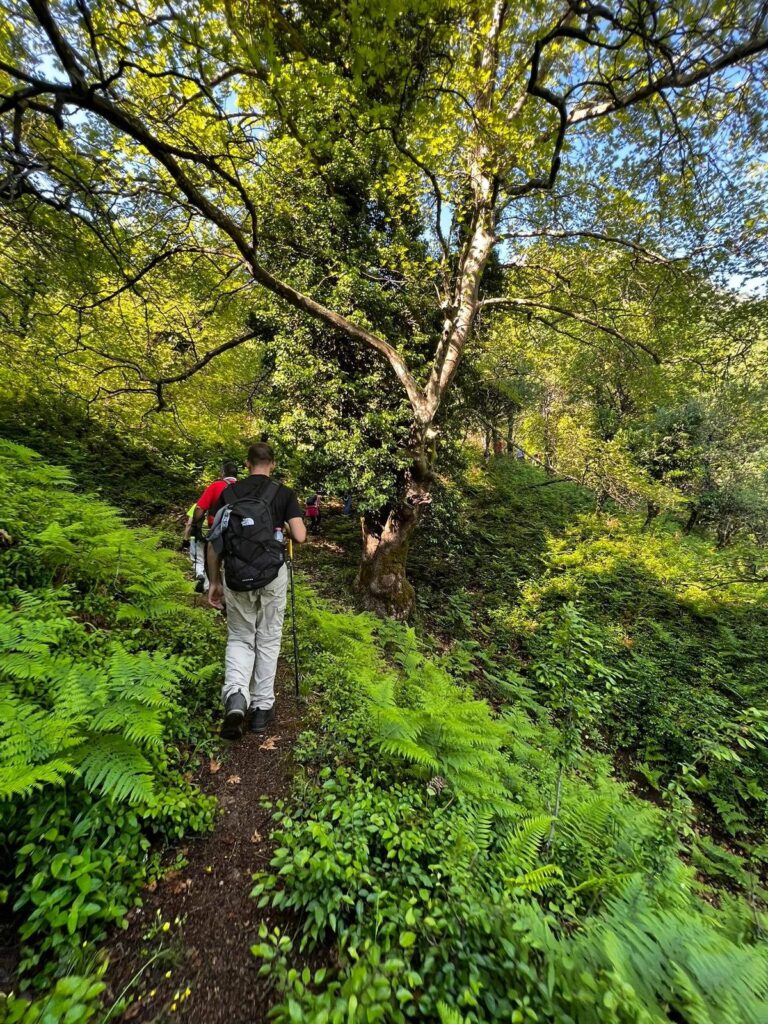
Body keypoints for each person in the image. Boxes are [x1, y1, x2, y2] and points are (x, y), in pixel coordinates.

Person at [206, 443, 306, 739]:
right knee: (269, 638)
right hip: (272, 576)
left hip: (236, 575)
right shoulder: (283, 493)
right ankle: (262, 709)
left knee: (240, 636)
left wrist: (215, 581)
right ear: (272, 464)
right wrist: (285, 528)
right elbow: (300, 536)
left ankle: (237, 695)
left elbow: (214, 542)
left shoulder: (228, 493)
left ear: (247, 463)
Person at [180, 502, 206, 591]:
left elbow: (189, 524)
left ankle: (199, 575)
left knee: (198, 561)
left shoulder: (196, 506)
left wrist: (185, 539)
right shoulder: (217, 505)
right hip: (213, 539)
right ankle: (207, 586)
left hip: (197, 538)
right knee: (209, 562)